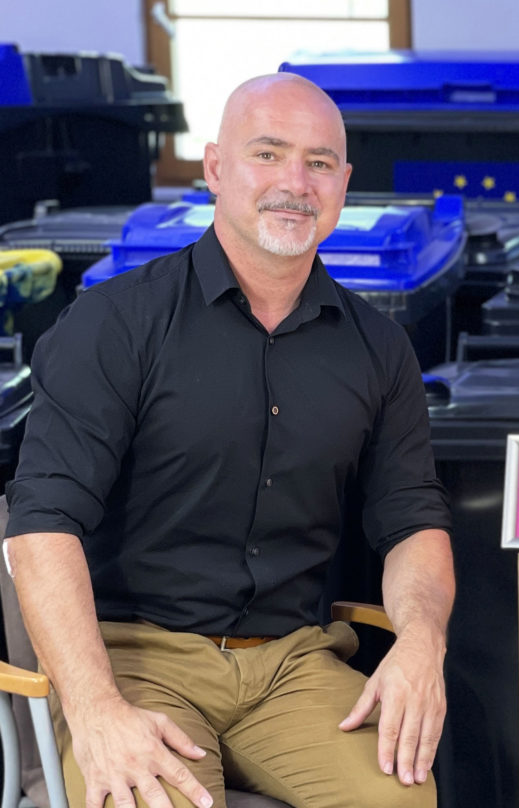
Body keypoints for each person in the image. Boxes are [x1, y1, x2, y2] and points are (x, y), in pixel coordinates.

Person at [3, 72, 454, 808]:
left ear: (342, 186)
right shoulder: (115, 325)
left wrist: (422, 642)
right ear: (215, 168)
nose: (295, 183)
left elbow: (413, 521)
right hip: (133, 658)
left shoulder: (379, 348)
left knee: (399, 794)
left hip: (291, 665)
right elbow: (41, 527)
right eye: (268, 154)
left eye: (317, 163)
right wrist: (95, 708)